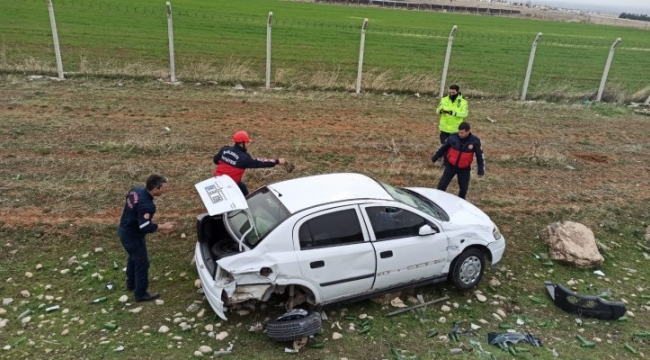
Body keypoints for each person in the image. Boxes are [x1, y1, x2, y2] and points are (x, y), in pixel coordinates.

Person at [118, 174, 176, 302]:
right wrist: (163, 226)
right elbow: (144, 226)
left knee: (133, 258)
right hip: (133, 236)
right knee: (142, 264)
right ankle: (141, 294)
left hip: (124, 229)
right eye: (163, 189)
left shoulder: (135, 190)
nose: (165, 190)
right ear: (155, 190)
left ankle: (131, 284)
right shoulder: (147, 206)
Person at [213, 131, 286, 196]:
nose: (248, 144)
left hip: (217, 179)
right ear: (242, 143)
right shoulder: (244, 158)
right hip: (230, 184)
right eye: (247, 142)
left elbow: (215, 160)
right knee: (244, 195)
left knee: (242, 187)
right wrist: (277, 161)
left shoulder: (224, 149)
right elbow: (259, 163)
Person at [431, 122, 484, 200]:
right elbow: (443, 148)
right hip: (450, 166)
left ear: (468, 131)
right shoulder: (453, 137)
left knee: (463, 188)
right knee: (442, 185)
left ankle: (461, 202)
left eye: (462, 133)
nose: (460, 134)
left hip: (464, 169)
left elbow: (480, 156)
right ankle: (437, 200)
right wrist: (435, 157)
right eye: (459, 132)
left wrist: (480, 170)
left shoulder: (475, 141)